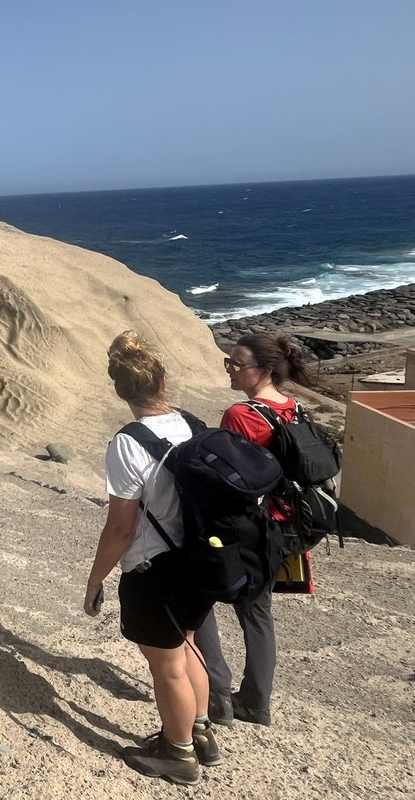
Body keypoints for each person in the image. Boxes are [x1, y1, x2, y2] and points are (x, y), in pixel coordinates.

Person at [84, 331, 220, 786]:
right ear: (163, 382)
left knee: (166, 665)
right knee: (188, 645)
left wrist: (95, 579)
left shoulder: (127, 443)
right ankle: (200, 733)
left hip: (153, 568)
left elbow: (121, 527)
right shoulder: (192, 425)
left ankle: (178, 754)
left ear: (121, 389)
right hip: (200, 560)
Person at [195, 332, 320, 728]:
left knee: (198, 598)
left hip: (249, 528)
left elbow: (227, 475)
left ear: (264, 370)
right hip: (287, 525)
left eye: (237, 364)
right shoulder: (294, 408)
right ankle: (256, 702)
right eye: (228, 363)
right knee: (258, 613)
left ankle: (217, 694)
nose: (230, 370)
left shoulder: (241, 414)